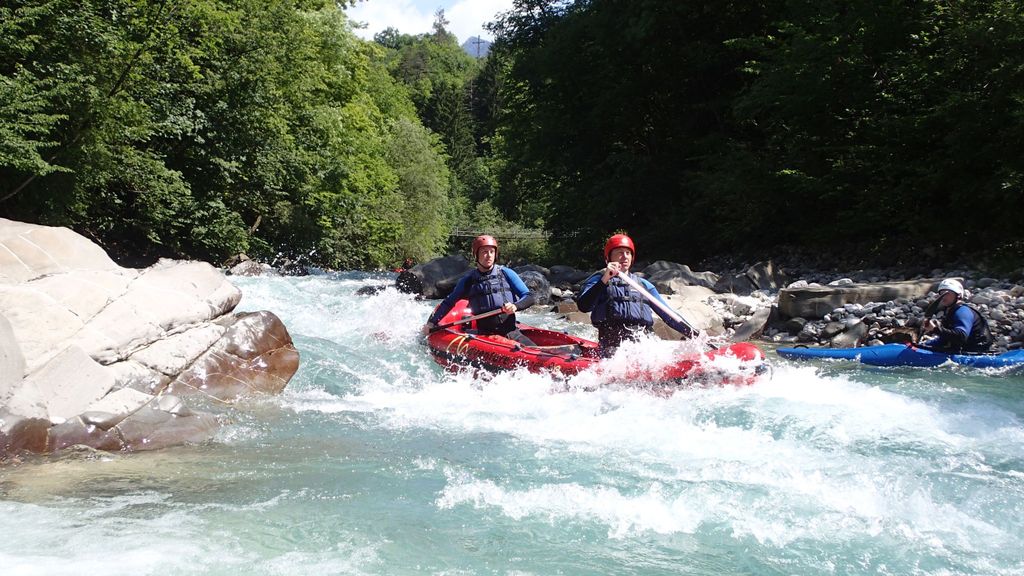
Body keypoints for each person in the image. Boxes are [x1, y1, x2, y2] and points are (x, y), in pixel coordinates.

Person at [577, 234, 698, 357]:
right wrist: (605, 279)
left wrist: (695, 335)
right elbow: (584, 306)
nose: (624, 256)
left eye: (628, 253)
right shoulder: (599, 280)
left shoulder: (644, 285)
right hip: (611, 350)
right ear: (608, 258)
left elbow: (669, 316)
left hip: (642, 348)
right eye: (619, 252)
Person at [421, 235, 536, 343]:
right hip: (484, 335)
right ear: (476, 255)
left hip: (509, 331)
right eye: (484, 252)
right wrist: (431, 324)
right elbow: (448, 303)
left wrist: (515, 306)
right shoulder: (468, 280)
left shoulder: (506, 273)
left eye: (492, 252)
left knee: (534, 350)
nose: (489, 255)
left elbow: (529, 296)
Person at [920, 278, 993, 353]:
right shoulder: (949, 311)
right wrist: (923, 345)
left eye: (947, 293)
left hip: (976, 352)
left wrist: (936, 329)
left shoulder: (962, 311)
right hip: (962, 350)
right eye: (941, 294)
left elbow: (961, 336)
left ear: (958, 295)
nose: (943, 296)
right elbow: (945, 338)